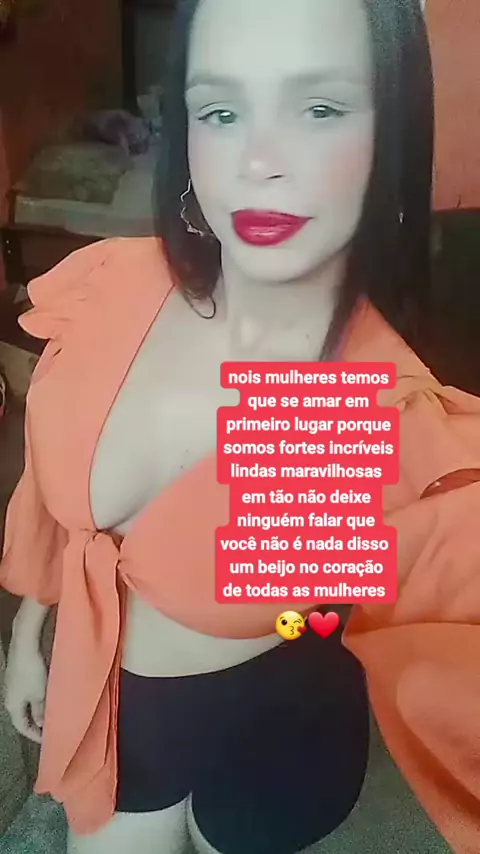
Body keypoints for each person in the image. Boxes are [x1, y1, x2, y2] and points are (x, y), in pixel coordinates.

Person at [1, 0, 480, 852]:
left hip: (280, 732)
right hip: (115, 705)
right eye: (221, 111)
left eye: (320, 108)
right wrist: (30, 630)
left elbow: (440, 610)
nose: (259, 161)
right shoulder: (114, 288)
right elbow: (49, 489)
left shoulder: (369, 406)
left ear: (392, 137)